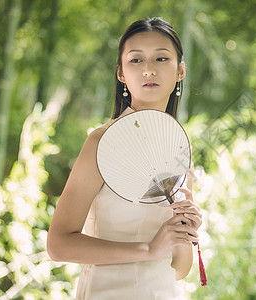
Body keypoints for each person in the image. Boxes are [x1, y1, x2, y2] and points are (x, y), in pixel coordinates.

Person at [47, 17, 203, 299]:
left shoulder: (181, 150)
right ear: (120, 73)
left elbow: (179, 269)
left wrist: (184, 230)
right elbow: (58, 245)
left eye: (161, 58)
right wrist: (148, 249)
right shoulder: (100, 142)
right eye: (136, 60)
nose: (148, 70)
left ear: (180, 70)